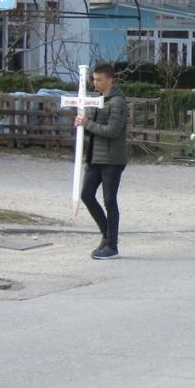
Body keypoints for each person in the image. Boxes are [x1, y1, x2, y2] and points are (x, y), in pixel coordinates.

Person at [75, 62, 127, 260]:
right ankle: (108, 234)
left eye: (98, 79)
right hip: (95, 157)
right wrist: (82, 122)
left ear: (109, 80)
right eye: (93, 79)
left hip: (112, 159)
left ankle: (112, 246)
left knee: (109, 200)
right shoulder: (98, 99)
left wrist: (89, 124)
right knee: (87, 195)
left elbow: (112, 131)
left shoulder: (118, 102)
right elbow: (93, 124)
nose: (94, 83)